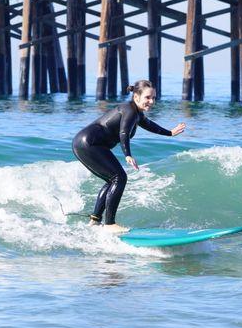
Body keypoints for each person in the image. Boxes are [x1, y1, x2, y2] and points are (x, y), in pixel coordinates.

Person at [72, 80, 186, 233]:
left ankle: (95, 220)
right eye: (147, 98)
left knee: (112, 179)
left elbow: (150, 125)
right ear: (136, 97)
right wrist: (128, 155)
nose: (151, 101)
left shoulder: (136, 114)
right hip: (89, 143)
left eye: (153, 98)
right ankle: (110, 224)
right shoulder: (130, 111)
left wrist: (170, 132)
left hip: (84, 143)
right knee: (120, 178)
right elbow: (124, 132)